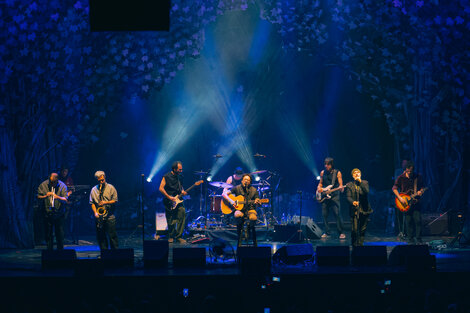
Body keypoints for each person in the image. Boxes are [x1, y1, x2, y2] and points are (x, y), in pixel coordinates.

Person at [222, 174, 261, 247]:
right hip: (239, 210)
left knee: (253, 218)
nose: (246, 181)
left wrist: (258, 202)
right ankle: (240, 234)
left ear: (250, 182)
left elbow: (258, 203)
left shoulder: (254, 190)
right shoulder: (236, 188)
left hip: (250, 209)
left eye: (248, 180)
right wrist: (231, 201)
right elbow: (224, 194)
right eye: (245, 179)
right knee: (237, 215)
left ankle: (249, 232)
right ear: (242, 180)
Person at [393, 161, 426, 244]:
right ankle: (410, 239)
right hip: (405, 203)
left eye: (411, 172)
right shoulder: (401, 177)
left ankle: (418, 239)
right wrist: (400, 198)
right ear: (405, 170)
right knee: (408, 221)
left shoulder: (418, 177)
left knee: (418, 220)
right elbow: (394, 188)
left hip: (415, 202)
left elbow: (422, 187)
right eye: (408, 171)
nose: (409, 173)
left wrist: (421, 191)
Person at [37, 173, 68, 250]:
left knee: (60, 234)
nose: (53, 184)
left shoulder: (62, 185)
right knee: (48, 234)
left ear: (57, 180)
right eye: (51, 182)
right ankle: (49, 252)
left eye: (54, 182)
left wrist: (57, 197)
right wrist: (45, 196)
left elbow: (65, 200)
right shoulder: (43, 185)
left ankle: (60, 252)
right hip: (47, 213)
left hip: (59, 214)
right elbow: (38, 197)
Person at [317, 157, 346, 239]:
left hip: (334, 195)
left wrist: (341, 187)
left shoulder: (337, 173)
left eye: (328, 164)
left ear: (331, 165)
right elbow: (320, 183)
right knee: (324, 214)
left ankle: (341, 232)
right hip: (325, 196)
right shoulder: (322, 172)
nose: (326, 166)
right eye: (325, 164)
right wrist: (318, 188)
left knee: (337, 214)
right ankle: (327, 232)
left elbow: (341, 184)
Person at [159, 161, 187, 244]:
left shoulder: (180, 177)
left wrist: (183, 191)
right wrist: (169, 197)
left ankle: (179, 237)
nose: (181, 171)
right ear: (174, 169)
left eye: (181, 169)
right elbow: (161, 188)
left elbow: (181, 187)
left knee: (182, 214)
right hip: (169, 200)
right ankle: (171, 236)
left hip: (179, 200)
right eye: (179, 169)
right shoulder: (166, 176)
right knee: (171, 219)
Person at [89, 171, 119, 250]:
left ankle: (115, 254)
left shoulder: (111, 187)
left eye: (102, 180)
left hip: (110, 216)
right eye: (99, 181)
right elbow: (92, 203)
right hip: (99, 217)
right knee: (101, 237)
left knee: (112, 236)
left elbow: (115, 200)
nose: (101, 182)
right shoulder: (93, 190)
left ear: (105, 177)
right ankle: (104, 254)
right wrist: (95, 212)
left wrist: (105, 202)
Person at [346, 169, 373, 246]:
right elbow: (348, 197)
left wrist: (360, 182)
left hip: (364, 209)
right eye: (355, 173)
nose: (357, 174)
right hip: (354, 209)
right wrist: (353, 202)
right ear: (352, 175)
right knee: (354, 229)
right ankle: (354, 244)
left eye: (358, 173)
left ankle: (360, 245)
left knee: (362, 229)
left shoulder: (365, 183)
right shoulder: (349, 185)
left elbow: (366, 192)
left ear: (360, 175)